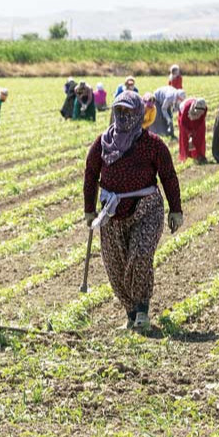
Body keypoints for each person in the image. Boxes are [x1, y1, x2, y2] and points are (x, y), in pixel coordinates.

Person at [84, 91, 184, 333]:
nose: (123, 116)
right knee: (115, 264)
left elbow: (168, 176)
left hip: (146, 208)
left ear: (139, 113)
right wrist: (89, 209)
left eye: (128, 112)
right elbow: (90, 174)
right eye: (119, 111)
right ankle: (130, 314)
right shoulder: (102, 142)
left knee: (139, 255)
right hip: (111, 211)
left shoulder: (153, 144)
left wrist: (176, 209)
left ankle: (142, 311)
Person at [177, 97, 209, 162]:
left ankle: (199, 155)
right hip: (185, 117)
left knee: (200, 134)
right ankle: (186, 155)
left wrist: (195, 131)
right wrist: (190, 135)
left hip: (198, 120)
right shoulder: (186, 107)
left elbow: (201, 121)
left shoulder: (204, 108)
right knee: (184, 136)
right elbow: (183, 124)